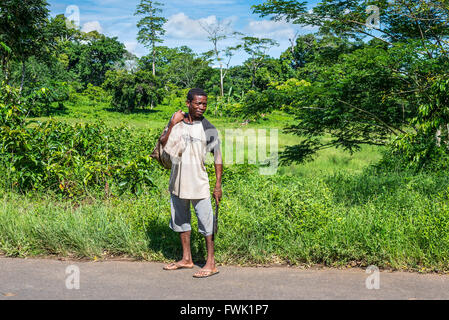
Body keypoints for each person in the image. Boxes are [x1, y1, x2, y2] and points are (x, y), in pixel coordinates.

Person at [160, 88, 223, 278]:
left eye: (204, 104)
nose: (202, 107)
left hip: (199, 183)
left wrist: (218, 185)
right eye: (198, 103)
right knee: (181, 221)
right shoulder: (177, 122)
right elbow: (162, 142)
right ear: (188, 103)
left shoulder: (208, 128)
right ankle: (186, 259)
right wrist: (171, 124)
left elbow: (218, 157)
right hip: (178, 182)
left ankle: (211, 263)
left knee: (207, 223)